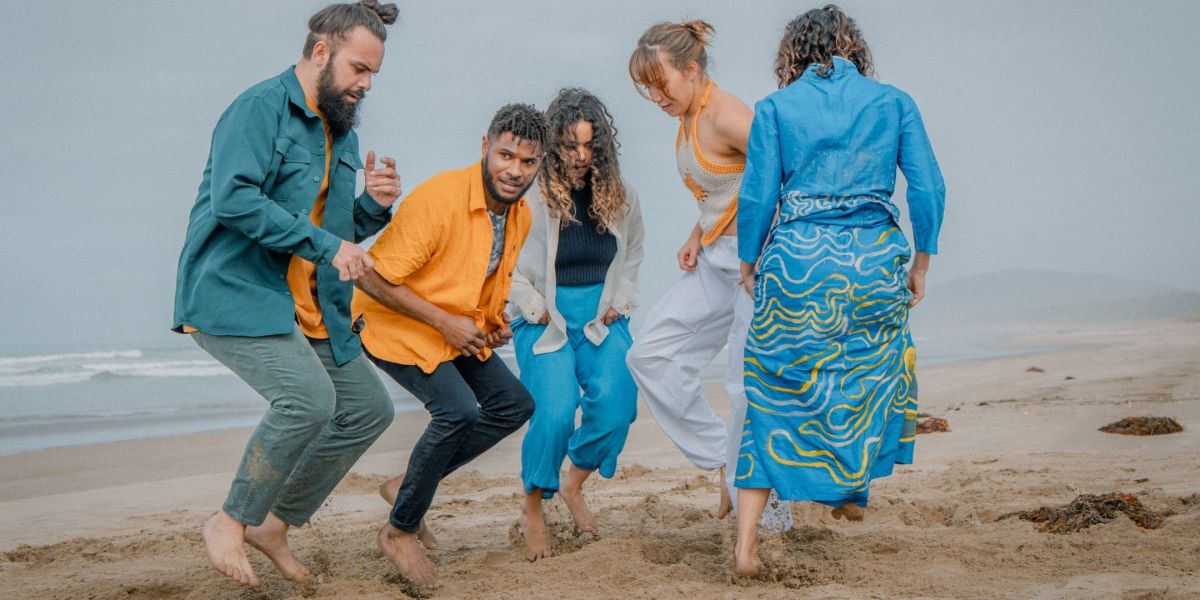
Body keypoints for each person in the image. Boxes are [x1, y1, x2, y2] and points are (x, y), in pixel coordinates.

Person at [171, 1, 400, 588]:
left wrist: (372, 207)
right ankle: (230, 517)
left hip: (309, 305)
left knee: (368, 410)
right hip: (235, 291)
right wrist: (328, 243)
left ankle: (274, 521)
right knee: (307, 401)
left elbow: (333, 226)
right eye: (357, 69)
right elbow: (236, 201)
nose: (365, 85)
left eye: (373, 73)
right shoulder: (256, 109)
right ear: (320, 50)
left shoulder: (341, 127)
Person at [732, 4, 946, 576]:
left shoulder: (774, 108)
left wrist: (749, 262)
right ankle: (848, 489)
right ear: (853, 46)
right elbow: (927, 186)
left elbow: (756, 196)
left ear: (792, 54)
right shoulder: (894, 102)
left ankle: (747, 548)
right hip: (875, 259)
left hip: (798, 263)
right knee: (870, 376)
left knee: (774, 393)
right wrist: (921, 260)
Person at [352, 104, 548, 589]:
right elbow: (372, 277)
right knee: (457, 410)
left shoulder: (519, 214)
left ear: (539, 164)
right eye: (505, 155)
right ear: (485, 147)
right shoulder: (440, 199)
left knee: (514, 404)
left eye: (527, 162)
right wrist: (447, 323)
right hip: (389, 319)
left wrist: (494, 323)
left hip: (450, 327)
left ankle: (408, 487)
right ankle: (399, 531)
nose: (514, 170)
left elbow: (481, 283)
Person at [626, 20, 791, 529]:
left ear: (691, 70)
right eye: (646, 88)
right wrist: (697, 234)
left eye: (661, 84)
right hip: (715, 259)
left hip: (755, 266)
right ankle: (726, 460)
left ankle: (768, 516)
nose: (655, 97)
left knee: (744, 388)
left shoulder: (726, 113)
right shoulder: (688, 114)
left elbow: (785, 163)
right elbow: (726, 185)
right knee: (650, 354)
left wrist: (771, 243)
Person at [507, 88, 644, 560]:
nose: (580, 156)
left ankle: (573, 484)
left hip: (600, 317)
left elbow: (633, 256)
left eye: (589, 145)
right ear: (552, 145)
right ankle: (531, 505)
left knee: (617, 407)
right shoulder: (529, 198)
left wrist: (621, 300)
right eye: (569, 145)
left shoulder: (620, 197)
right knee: (557, 411)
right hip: (545, 319)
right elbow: (505, 266)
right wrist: (533, 305)